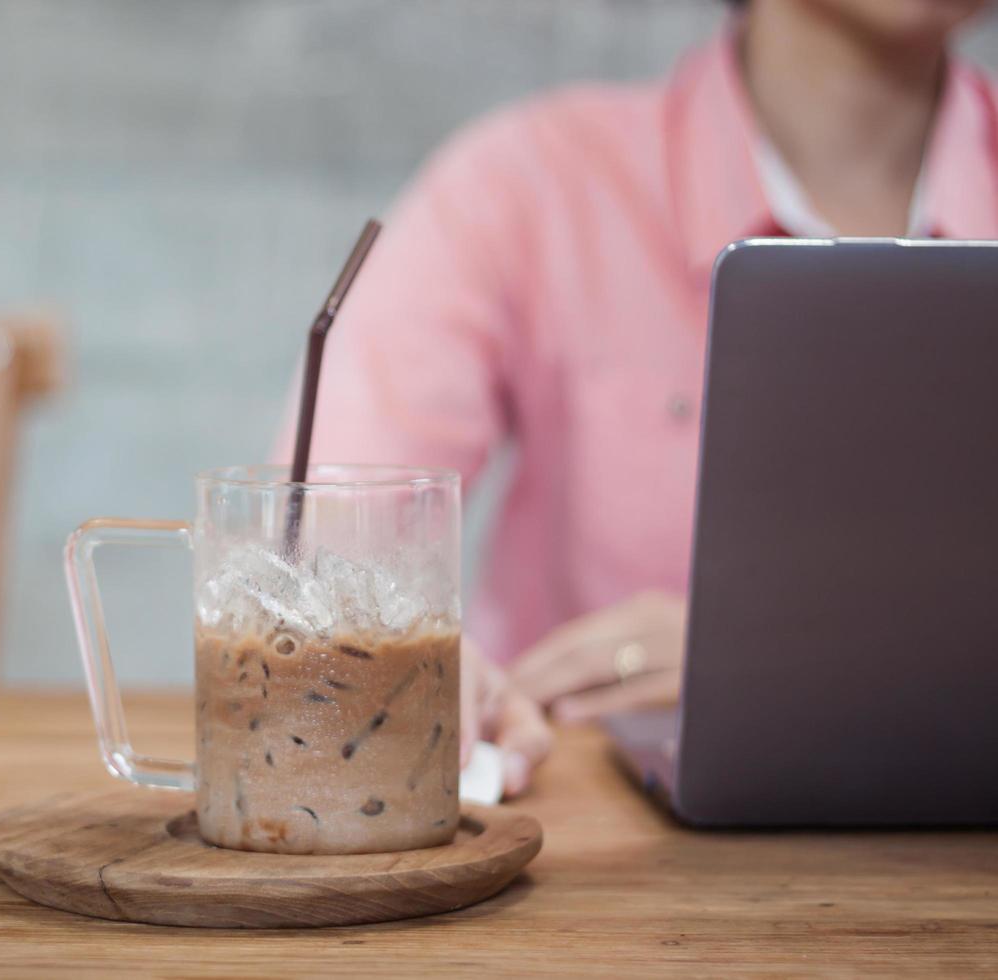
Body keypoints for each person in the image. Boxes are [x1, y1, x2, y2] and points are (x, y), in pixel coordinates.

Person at [279, 0, 998, 796]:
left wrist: (787, 662)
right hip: (593, 853)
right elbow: (322, 537)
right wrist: (405, 654)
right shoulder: (535, 181)